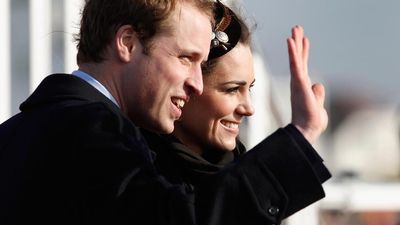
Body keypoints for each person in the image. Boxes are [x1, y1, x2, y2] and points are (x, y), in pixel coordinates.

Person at [0, 0, 215, 224]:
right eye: (186, 58)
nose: (198, 85)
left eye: (202, 65)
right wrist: (254, 172)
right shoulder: (96, 132)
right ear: (127, 43)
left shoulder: (14, 133)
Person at [142, 1, 331, 225]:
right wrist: (301, 132)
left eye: (249, 88)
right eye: (231, 89)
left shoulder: (240, 171)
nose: (248, 109)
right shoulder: (138, 172)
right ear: (190, 85)